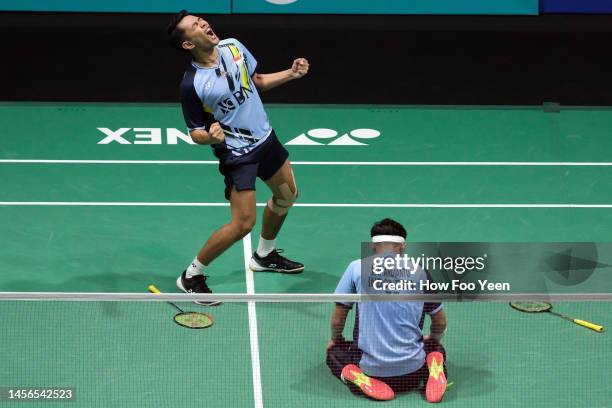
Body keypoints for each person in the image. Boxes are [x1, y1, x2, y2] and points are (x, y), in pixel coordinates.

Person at [166, 11, 309, 304]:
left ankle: (264, 255)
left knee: (286, 196)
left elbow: (256, 81)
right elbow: (195, 133)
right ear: (188, 44)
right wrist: (211, 136)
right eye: (195, 26)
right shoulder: (192, 84)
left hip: (266, 139)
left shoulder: (233, 47)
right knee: (243, 223)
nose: (204, 24)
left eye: (201, 20)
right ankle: (190, 276)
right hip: (238, 153)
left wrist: (291, 74)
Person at [326, 218, 448, 402]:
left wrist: (336, 340)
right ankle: (435, 368)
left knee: (334, 353)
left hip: (372, 371)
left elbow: (337, 320)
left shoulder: (356, 268)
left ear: (372, 246)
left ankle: (358, 376)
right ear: (402, 246)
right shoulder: (421, 271)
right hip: (413, 374)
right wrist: (432, 340)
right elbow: (440, 322)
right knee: (435, 346)